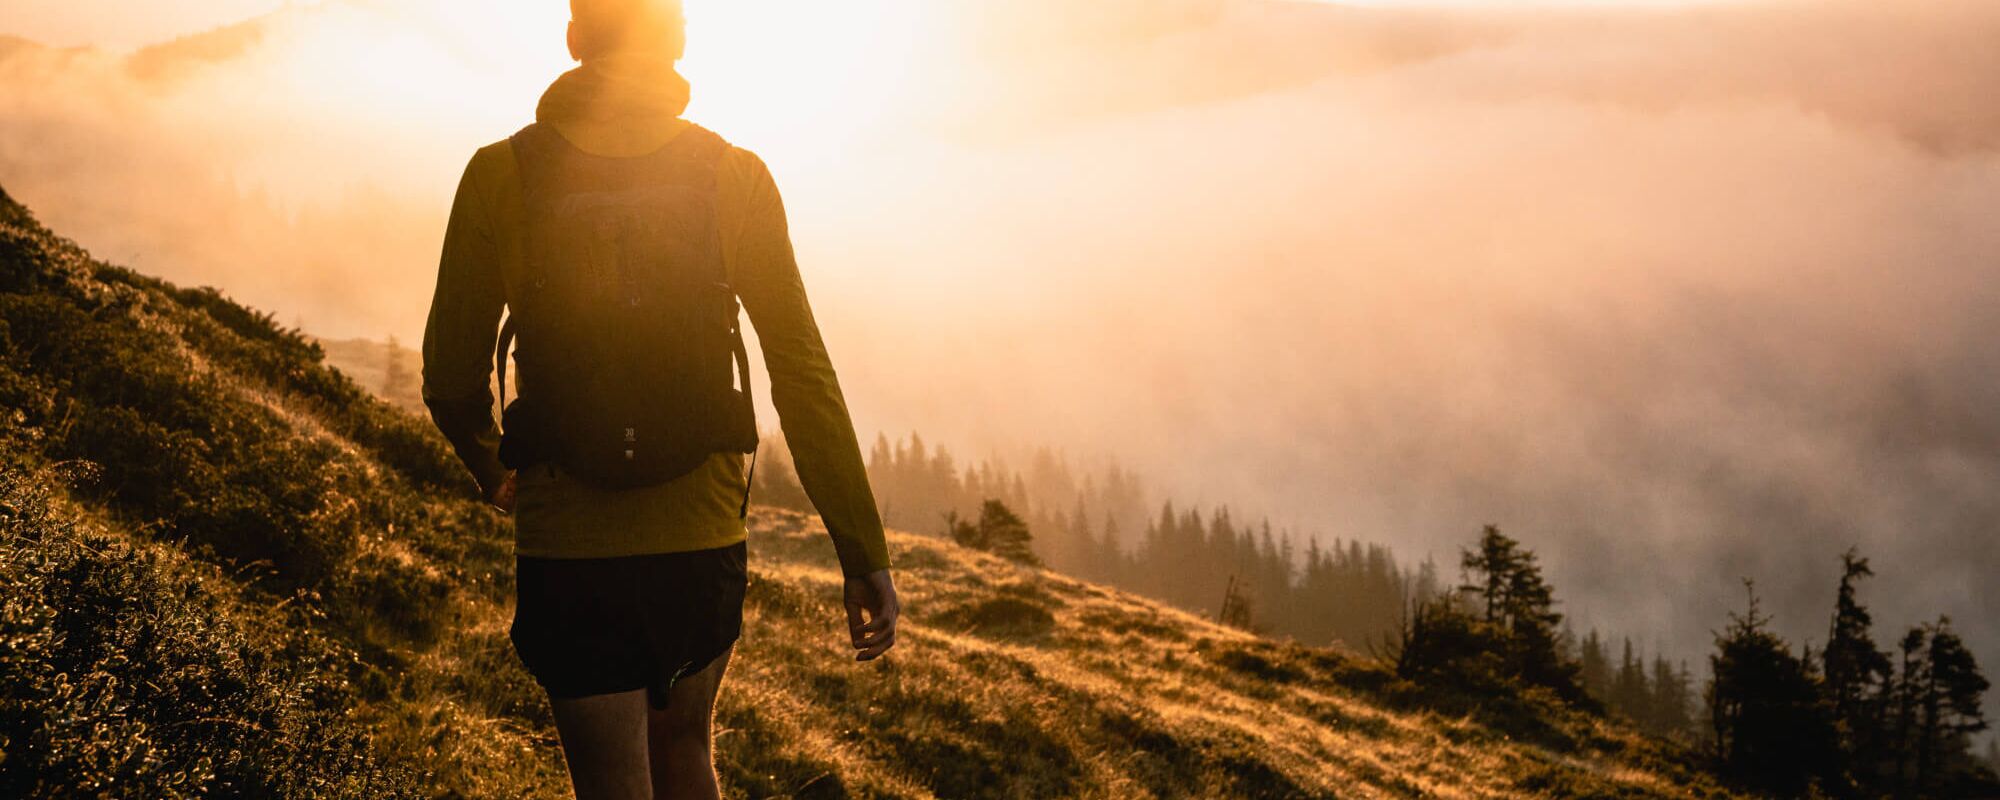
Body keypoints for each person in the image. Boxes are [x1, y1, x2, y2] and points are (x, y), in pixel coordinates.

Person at [420, 1, 898, 797]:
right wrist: (862, 552)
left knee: (612, 782)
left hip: (571, 544)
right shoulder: (734, 175)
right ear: (676, 41)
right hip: (699, 537)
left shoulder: (498, 173)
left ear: (575, 39)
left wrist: (489, 467)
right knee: (686, 752)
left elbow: (448, 373)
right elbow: (801, 372)